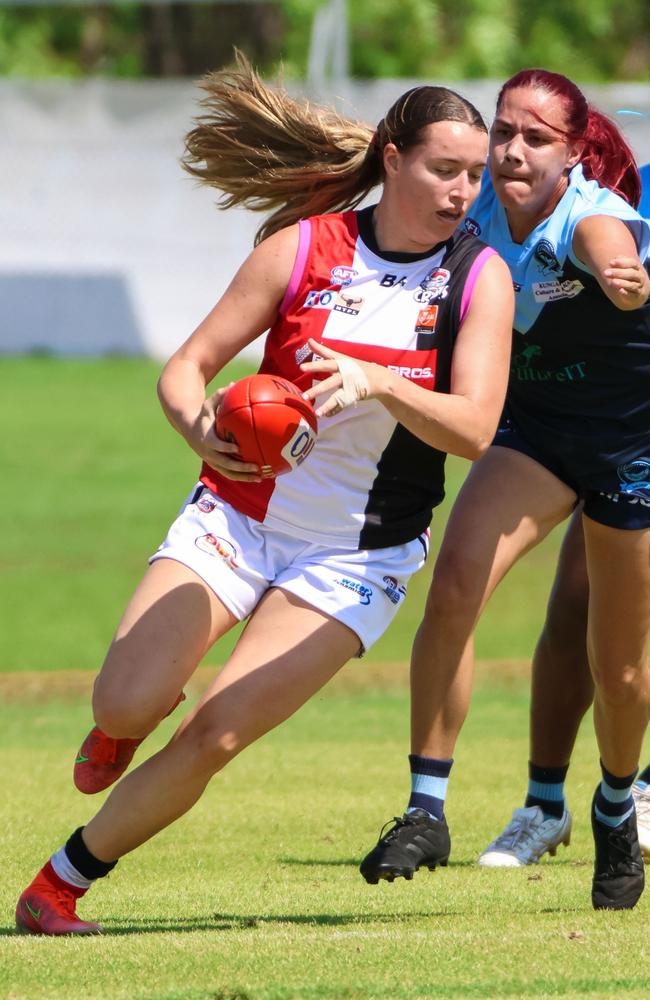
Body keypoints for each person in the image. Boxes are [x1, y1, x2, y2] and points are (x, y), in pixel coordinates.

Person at [15, 55, 514, 935]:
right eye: (445, 169)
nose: (463, 190)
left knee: (215, 731)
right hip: (237, 518)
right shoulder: (307, 245)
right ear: (393, 159)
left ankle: (60, 883)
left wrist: (380, 384)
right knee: (123, 703)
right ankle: (124, 723)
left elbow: (474, 429)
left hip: (355, 557)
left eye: (474, 174)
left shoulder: (478, 278)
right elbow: (188, 368)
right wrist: (197, 428)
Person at [359, 69, 650, 911]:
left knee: (620, 668)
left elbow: (615, 257)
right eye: (505, 133)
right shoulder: (474, 208)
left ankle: (611, 802)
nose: (513, 150)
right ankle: (427, 806)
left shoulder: (591, 214)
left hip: (631, 447)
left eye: (536, 139)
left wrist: (627, 278)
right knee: (452, 587)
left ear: (573, 153)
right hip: (537, 437)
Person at [477, 161, 650, 869]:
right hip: (615, 432)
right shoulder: (630, 188)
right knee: (580, 608)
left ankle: (633, 789)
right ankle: (546, 802)